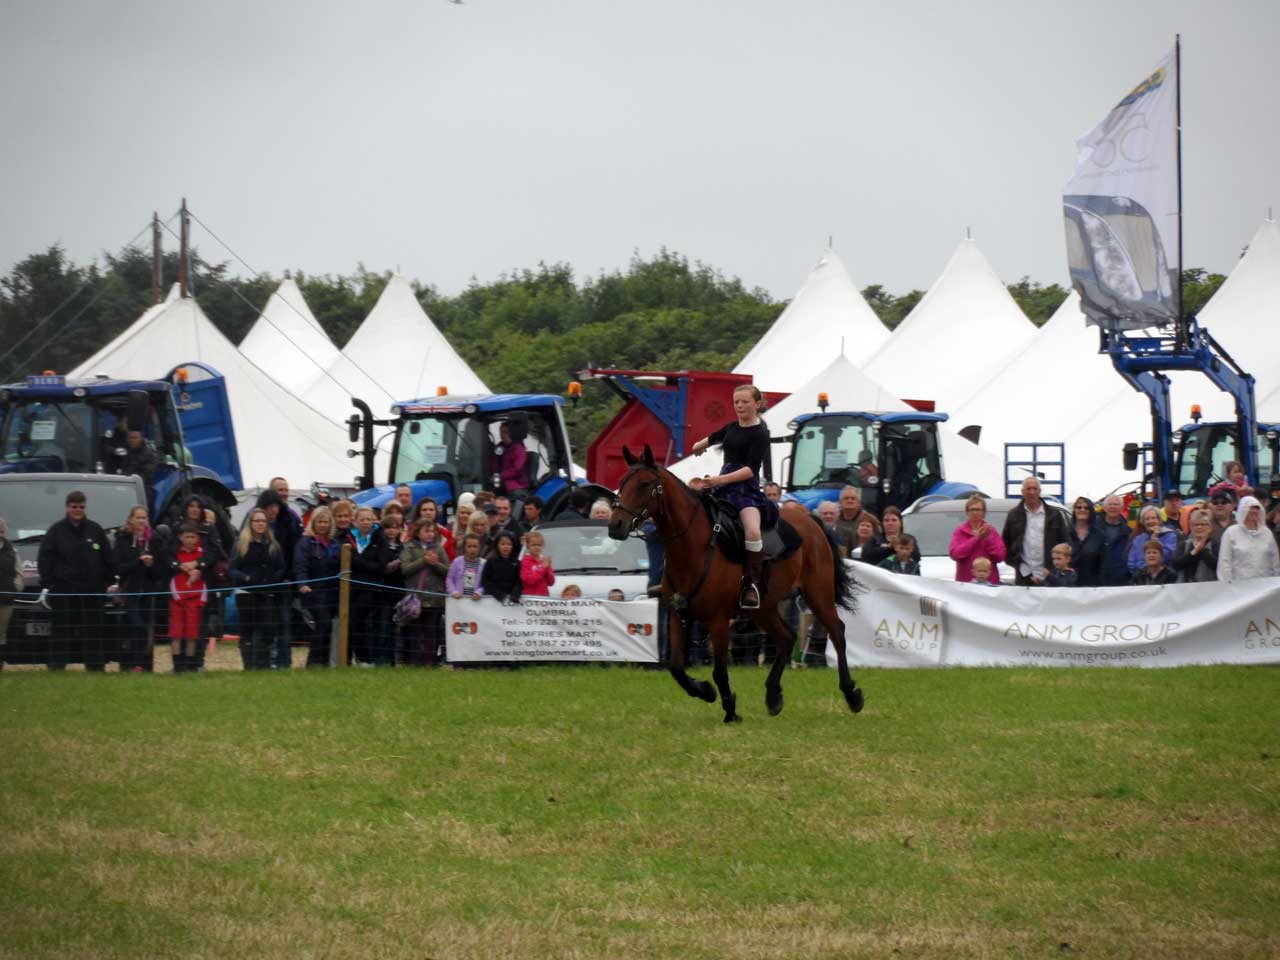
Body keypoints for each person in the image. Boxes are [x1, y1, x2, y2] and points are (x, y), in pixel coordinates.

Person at [688, 383, 777, 609]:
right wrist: (699, 445)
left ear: (757, 404)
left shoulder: (760, 433)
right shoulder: (731, 427)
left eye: (745, 402)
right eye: (736, 402)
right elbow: (715, 437)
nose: (739, 406)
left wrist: (718, 480)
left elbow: (750, 469)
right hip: (723, 486)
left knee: (753, 530)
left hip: (745, 489)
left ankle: (751, 584)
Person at [37, 490, 114, 670]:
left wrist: (107, 582)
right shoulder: (56, 531)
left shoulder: (95, 530)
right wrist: (50, 583)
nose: (78, 510)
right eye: (74, 507)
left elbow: (108, 558)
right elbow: (44, 558)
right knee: (61, 633)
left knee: (93, 632)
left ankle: (95, 668)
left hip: (92, 593)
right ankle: (57, 668)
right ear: (67, 507)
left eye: (81, 507)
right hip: (64, 592)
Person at [228, 508, 286, 670]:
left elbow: (281, 568)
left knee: (268, 629)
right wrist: (246, 578)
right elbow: (232, 569)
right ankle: (249, 666)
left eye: (263, 521)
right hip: (246, 593)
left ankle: (263, 665)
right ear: (250, 523)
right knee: (247, 630)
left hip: (267, 593)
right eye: (257, 521)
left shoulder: (273, 545)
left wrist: (272, 580)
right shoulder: (241, 543)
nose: (260, 524)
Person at [114, 504, 167, 672]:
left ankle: (141, 665)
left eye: (144, 518)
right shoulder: (123, 539)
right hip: (130, 590)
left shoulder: (155, 540)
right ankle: (129, 664)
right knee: (135, 626)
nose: (141, 521)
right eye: (138, 517)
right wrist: (138, 561)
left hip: (148, 591)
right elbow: (118, 567)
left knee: (145, 629)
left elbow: (161, 571)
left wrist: (151, 565)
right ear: (131, 519)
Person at [256, 488, 302, 668]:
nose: (272, 510)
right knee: (265, 624)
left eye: (275, 506)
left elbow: (294, 552)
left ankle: (284, 662)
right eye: (269, 506)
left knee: (284, 622)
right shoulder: (256, 524)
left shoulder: (288, 523)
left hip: (284, 581)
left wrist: (289, 576)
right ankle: (265, 662)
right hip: (262, 583)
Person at [294, 505, 341, 668]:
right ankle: (312, 662)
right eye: (319, 521)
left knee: (327, 627)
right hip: (313, 592)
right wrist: (302, 584)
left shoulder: (335, 544)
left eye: (325, 522)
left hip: (332, 593)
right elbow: (300, 566)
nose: (322, 525)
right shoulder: (306, 542)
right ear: (313, 523)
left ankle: (323, 662)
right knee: (324, 624)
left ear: (330, 524)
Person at [347, 506, 393, 666]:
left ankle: (370, 659)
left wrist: (356, 562)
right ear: (355, 521)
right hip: (352, 589)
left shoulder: (380, 538)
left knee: (370, 625)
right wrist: (365, 565)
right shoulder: (348, 537)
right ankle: (359, 658)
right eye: (362, 519)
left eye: (369, 519)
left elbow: (381, 566)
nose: (366, 522)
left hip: (373, 590)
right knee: (354, 623)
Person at [1001, 477, 1069, 586]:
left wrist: (1057, 566)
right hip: (1023, 575)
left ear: (1039, 491)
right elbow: (1005, 543)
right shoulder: (1013, 515)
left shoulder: (1054, 514)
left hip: (1049, 576)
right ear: (1022, 492)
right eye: (1028, 489)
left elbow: (1065, 542)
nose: (1031, 492)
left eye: (1035, 488)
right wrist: (1015, 564)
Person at [401, 521, 451, 665]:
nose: (430, 534)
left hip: (434, 598)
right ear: (418, 532)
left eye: (432, 531)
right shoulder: (409, 548)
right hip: (415, 599)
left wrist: (435, 564)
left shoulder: (439, 549)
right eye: (426, 531)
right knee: (415, 631)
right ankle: (413, 661)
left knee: (431, 632)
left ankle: (430, 661)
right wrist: (424, 560)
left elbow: (448, 571)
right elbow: (405, 569)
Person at [168, 523, 209, 672]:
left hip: (195, 601)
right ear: (180, 537)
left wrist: (202, 599)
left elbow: (204, 581)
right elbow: (172, 579)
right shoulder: (177, 555)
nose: (190, 540)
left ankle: (190, 665)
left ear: (197, 538)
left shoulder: (200, 555)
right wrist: (176, 596)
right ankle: (177, 666)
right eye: (187, 537)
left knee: (192, 634)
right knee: (176, 634)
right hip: (177, 601)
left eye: (193, 537)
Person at [1218, 495, 1280, 582]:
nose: (1254, 511)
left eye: (1256, 508)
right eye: (1251, 508)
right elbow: (1224, 562)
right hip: (1240, 587)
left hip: (1265, 586)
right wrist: (1227, 585)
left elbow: (1275, 561)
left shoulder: (1267, 533)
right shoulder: (1231, 533)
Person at [949, 494, 1005, 584]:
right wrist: (976, 538)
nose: (975, 512)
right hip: (965, 583)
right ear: (967, 512)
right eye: (972, 509)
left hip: (989, 583)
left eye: (978, 509)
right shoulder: (959, 531)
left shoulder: (991, 531)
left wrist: (987, 539)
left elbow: (1000, 556)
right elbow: (955, 554)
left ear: (984, 512)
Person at [1170, 509, 1219, 583]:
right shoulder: (1183, 545)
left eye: (1203, 524)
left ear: (1209, 528)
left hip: (1210, 589)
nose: (1199, 527)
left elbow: (1217, 566)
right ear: (1191, 527)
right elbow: (1175, 565)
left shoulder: (1215, 544)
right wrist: (1192, 553)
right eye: (1196, 524)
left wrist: (1202, 550)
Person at [1125, 505, 1177, 574]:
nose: (1150, 521)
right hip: (1141, 579)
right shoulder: (1138, 539)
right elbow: (1131, 563)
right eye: (1147, 519)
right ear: (1143, 522)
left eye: (1153, 518)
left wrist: (1155, 541)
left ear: (1159, 520)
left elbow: (1167, 557)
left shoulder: (1170, 536)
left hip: (1165, 578)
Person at [1066, 497, 1104, 587]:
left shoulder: (1099, 535)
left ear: (1091, 511)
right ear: (1074, 510)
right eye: (1079, 507)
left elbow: (1103, 565)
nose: (1082, 509)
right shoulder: (1065, 533)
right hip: (1068, 587)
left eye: (1086, 508)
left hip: (1092, 587)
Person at [1098, 495, 1132, 587]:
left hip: (1121, 581)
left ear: (1121, 508)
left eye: (1116, 504)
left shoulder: (1129, 532)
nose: (1112, 507)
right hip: (1098, 581)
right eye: (1110, 504)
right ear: (1104, 508)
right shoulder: (1094, 529)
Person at [481, 532, 522, 604]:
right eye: (503, 544)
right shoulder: (491, 562)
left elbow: (519, 581)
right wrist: (498, 594)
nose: (506, 547)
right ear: (497, 545)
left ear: (513, 546)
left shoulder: (517, 563)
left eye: (509, 544)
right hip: (493, 599)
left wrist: (515, 594)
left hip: (511, 600)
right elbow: (485, 581)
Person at [495, 420, 530, 502]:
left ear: (512, 433)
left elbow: (517, 469)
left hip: (516, 484)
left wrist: (500, 476)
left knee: (513, 495)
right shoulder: (499, 448)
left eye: (505, 432)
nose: (502, 435)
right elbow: (494, 463)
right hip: (500, 482)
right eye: (501, 432)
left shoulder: (518, 449)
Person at [447, 534, 485, 600]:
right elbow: (450, 579)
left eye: (475, 546)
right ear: (464, 547)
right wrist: (454, 592)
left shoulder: (484, 563)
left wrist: (479, 592)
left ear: (479, 547)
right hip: (459, 600)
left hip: (476, 602)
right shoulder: (457, 561)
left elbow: (486, 582)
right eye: (469, 546)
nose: (472, 549)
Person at [519, 530, 556, 596]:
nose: (536, 547)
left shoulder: (544, 560)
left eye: (539, 545)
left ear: (542, 546)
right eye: (533, 545)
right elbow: (529, 581)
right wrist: (542, 568)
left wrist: (548, 569)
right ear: (528, 546)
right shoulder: (525, 561)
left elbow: (551, 582)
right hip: (530, 599)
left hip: (544, 598)